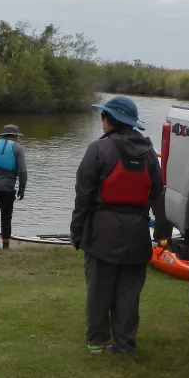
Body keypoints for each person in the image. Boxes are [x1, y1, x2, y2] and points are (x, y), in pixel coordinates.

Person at [70, 96, 164, 355]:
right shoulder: (148, 152)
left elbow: (83, 196)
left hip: (102, 234)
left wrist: (76, 232)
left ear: (111, 120)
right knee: (129, 293)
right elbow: (157, 192)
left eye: (103, 117)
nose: (101, 122)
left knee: (99, 290)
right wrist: (162, 231)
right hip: (137, 235)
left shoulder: (98, 150)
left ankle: (97, 342)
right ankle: (124, 344)